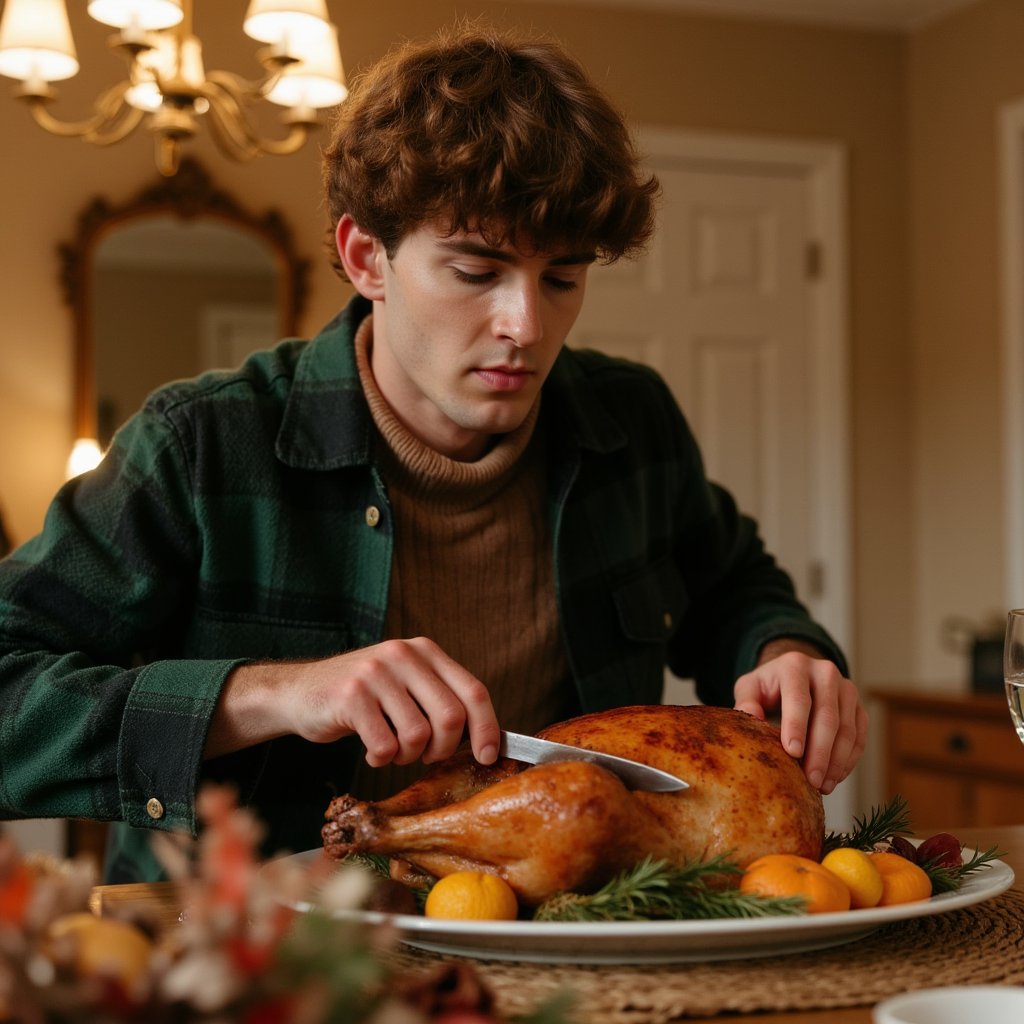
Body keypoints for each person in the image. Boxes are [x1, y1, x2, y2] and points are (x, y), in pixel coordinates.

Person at [0, 23, 867, 883]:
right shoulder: (198, 445)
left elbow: (735, 589)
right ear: (365, 256)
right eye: (476, 272)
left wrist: (781, 652)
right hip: (250, 963)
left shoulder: (630, 419)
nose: (526, 328)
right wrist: (275, 694)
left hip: (564, 959)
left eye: (562, 278)